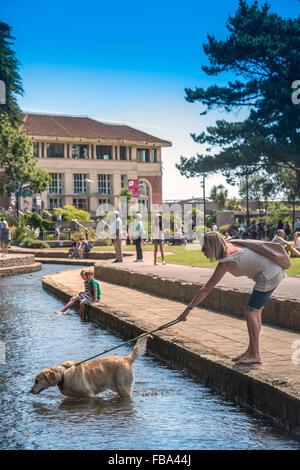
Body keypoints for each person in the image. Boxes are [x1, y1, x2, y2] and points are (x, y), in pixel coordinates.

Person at [177, 231, 286, 365]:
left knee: (250, 312)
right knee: (255, 312)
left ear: (212, 247)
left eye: (204, 248)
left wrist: (187, 310)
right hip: (270, 273)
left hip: (269, 276)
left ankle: (255, 355)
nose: (202, 252)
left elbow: (206, 289)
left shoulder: (227, 260)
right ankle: (250, 351)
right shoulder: (229, 246)